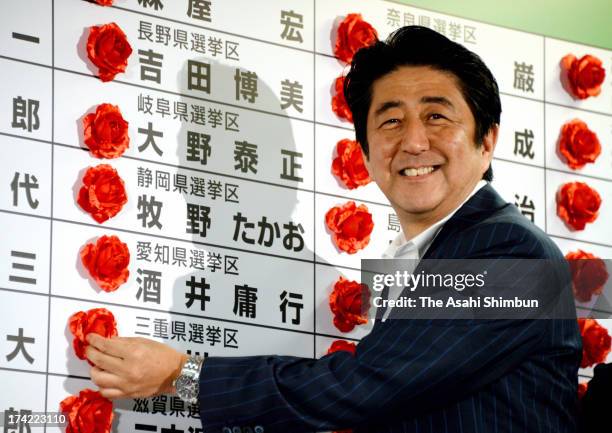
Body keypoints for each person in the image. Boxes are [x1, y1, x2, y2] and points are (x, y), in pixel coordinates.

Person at [85, 26, 582, 432]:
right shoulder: (415, 256)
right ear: (365, 154)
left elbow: (367, 384)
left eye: (436, 115)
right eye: (389, 121)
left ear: (487, 141)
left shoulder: (510, 252)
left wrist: (180, 375)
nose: (412, 141)